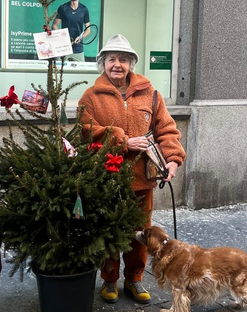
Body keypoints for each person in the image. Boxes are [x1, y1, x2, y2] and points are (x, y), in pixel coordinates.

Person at [78, 34, 186, 304]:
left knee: (141, 233)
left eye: (123, 60)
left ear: (131, 64)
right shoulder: (91, 97)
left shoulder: (151, 94)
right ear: (103, 63)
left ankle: (134, 279)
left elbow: (167, 129)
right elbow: (85, 130)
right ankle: (110, 280)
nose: (117, 64)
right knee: (108, 230)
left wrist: (172, 159)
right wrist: (121, 139)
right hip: (107, 178)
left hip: (141, 180)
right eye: (112, 59)